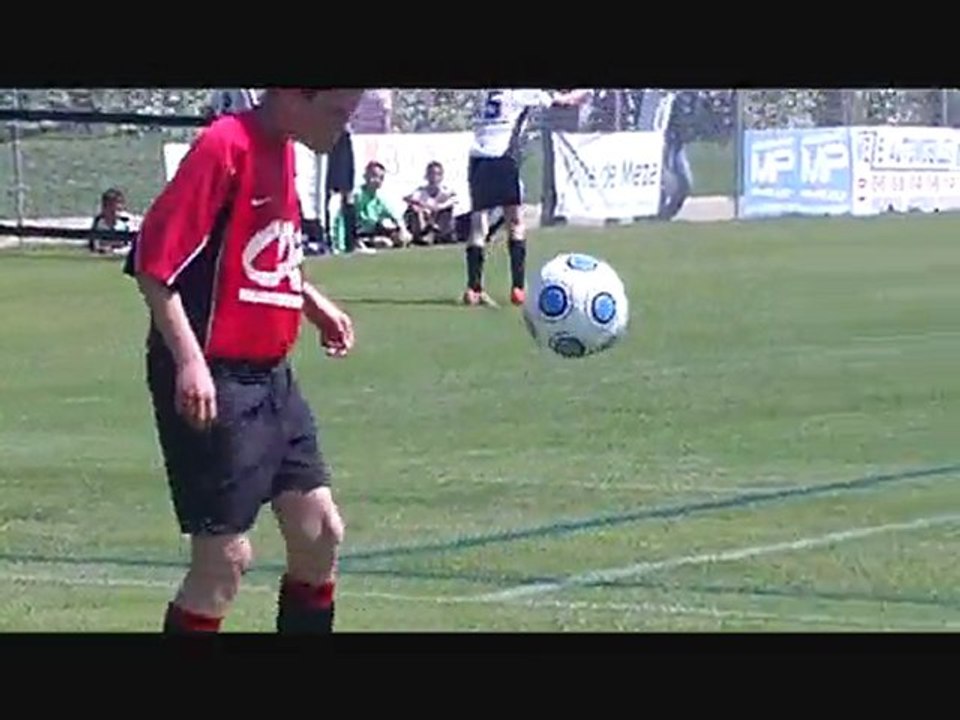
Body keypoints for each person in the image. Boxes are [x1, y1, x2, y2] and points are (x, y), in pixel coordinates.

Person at [123, 88, 363, 634]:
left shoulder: (283, 149)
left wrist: (311, 301)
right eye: (337, 113)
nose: (342, 129)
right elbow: (152, 264)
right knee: (223, 563)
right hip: (216, 379)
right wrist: (189, 361)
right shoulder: (225, 145)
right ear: (293, 96)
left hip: (273, 377)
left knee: (318, 532)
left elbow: (262, 251)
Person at [463, 88, 590, 308]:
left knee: (478, 223)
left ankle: (474, 288)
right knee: (515, 221)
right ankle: (518, 288)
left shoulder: (488, 93)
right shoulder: (524, 93)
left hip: (477, 158)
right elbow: (563, 102)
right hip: (502, 157)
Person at [404, 161, 457, 246]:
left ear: (441, 176)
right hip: (424, 220)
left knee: (445, 211)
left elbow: (450, 203)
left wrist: (430, 207)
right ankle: (423, 235)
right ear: (426, 176)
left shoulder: (447, 192)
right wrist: (423, 208)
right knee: (415, 209)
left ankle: (436, 233)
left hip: (439, 221)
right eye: (431, 173)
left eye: (437, 174)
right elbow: (409, 199)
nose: (433, 177)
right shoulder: (420, 191)